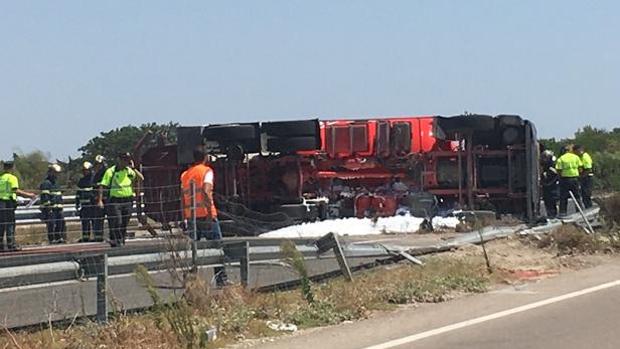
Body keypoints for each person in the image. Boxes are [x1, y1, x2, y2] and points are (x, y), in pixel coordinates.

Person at [181, 147, 228, 286]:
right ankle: (221, 279)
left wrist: (185, 216)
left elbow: (183, 198)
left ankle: (191, 281)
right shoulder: (207, 171)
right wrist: (209, 213)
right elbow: (206, 191)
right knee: (217, 248)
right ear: (205, 157)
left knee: (192, 251)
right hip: (206, 217)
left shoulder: (185, 174)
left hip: (191, 217)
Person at [97, 153, 144, 247]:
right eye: (124, 160)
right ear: (119, 159)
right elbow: (102, 185)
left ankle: (121, 240)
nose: (126, 162)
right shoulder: (111, 171)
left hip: (128, 200)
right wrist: (100, 200)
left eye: (127, 160)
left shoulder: (129, 171)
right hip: (115, 201)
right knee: (118, 221)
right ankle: (116, 239)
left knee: (125, 221)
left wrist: (133, 168)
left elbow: (141, 178)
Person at [0, 161, 36, 251]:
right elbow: (15, 190)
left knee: (1, 225)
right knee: (10, 224)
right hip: (8, 203)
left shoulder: (1, 178)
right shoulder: (12, 178)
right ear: (12, 168)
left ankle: (0, 246)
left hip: (0, 202)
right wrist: (29, 195)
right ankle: (11, 245)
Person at [40, 164, 65, 244]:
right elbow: (45, 197)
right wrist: (48, 208)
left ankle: (59, 238)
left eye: (57, 173)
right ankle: (52, 239)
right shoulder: (46, 183)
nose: (56, 175)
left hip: (58, 208)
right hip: (51, 209)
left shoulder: (57, 183)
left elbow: (59, 195)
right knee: (51, 224)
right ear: (50, 172)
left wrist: (61, 206)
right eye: (55, 173)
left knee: (60, 223)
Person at [555, 146, 583, 216]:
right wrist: (579, 175)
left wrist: (560, 177)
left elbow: (559, 170)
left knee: (563, 197)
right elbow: (580, 167)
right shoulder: (575, 157)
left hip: (565, 179)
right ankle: (580, 211)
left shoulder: (561, 158)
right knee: (577, 196)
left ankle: (563, 212)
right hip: (575, 178)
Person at [76, 161, 99, 242]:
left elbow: (97, 191)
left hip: (92, 205)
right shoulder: (81, 181)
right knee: (85, 222)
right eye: (84, 170)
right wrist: (77, 204)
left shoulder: (94, 179)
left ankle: (96, 237)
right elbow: (78, 194)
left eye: (86, 170)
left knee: (94, 221)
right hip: (84, 206)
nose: (85, 172)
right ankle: (85, 237)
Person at [91, 155, 108, 242]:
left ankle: (112, 236)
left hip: (107, 199)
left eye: (99, 164)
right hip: (98, 199)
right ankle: (98, 237)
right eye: (96, 164)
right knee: (98, 219)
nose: (98, 166)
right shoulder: (96, 175)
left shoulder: (107, 173)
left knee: (110, 219)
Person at [540, 150, 560, 218]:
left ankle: (554, 214)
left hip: (553, 186)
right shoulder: (544, 167)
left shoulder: (552, 167)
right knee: (547, 201)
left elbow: (556, 176)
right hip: (547, 187)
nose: (543, 159)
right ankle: (550, 214)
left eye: (545, 158)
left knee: (553, 200)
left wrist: (548, 184)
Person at [574, 145, 594, 209]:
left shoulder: (585, 157)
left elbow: (588, 169)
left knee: (586, 194)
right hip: (584, 177)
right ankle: (587, 207)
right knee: (584, 195)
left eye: (576, 151)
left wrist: (581, 177)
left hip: (587, 177)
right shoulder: (580, 157)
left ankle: (589, 207)